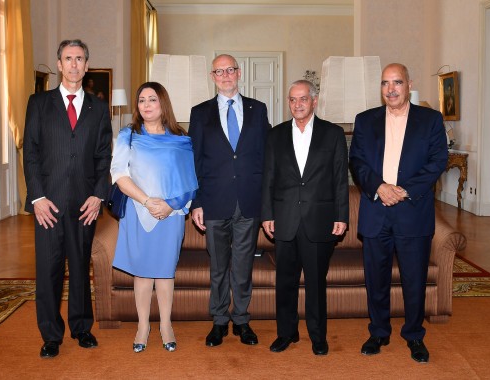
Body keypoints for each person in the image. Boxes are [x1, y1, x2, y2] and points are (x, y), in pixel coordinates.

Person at [349, 63, 448, 363]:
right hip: (376, 210)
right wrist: (379, 187)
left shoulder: (430, 120)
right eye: (385, 83)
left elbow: (437, 160)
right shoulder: (365, 121)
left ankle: (414, 335)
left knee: (414, 279)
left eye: (397, 82)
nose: (390, 89)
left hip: (412, 211)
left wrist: (402, 190)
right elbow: (357, 162)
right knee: (375, 278)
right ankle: (378, 331)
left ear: (408, 84)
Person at [23, 39, 113, 358]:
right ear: (59, 65)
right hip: (48, 203)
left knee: (79, 266)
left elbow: (104, 157)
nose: (74, 64)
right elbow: (31, 154)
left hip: (83, 204)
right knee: (48, 271)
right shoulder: (39, 103)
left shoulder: (99, 108)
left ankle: (81, 327)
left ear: (86, 66)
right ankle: (50, 334)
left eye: (79, 59)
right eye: (67, 59)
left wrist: (98, 195)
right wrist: (37, 198)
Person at [261, 80, 349, 356]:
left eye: (302, 99)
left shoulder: (333, 134)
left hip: (319, 219)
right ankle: (286, 333)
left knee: (315, 283)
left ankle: (318, 336)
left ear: (314, 101)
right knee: (285, 281)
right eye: (292, 100)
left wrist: (341, 216)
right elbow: (268, 180)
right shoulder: (275, 135)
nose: (297, 104)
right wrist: (267, 215)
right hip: (284, 219)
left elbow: (339, 180)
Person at [188, 54, 270, 347]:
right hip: (213, 202)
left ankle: (242, 320)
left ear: (239, 72)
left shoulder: (258, 110)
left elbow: (267, 157)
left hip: (249, 201)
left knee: (243, 265)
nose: (225, 75)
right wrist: (196, 202)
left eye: (230, 70)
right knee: (219, 266)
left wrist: (268, 202)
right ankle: (219, 320)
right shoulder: (200, 113)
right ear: (212, 77)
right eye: (219, 71)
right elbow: (193, 161)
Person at [111, 82, 198, 353]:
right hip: (139, 211)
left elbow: (191, 181)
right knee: (143, 272)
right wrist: (147, 201)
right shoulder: (128, 135)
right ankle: (143, 326)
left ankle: (166, 325)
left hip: (170, 215)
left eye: (152, 99)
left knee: (164, 272)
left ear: (163, 104)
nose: (146, 105)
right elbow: (119, 175)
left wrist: (171, 206)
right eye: (141, 100)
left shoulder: (181, 138)